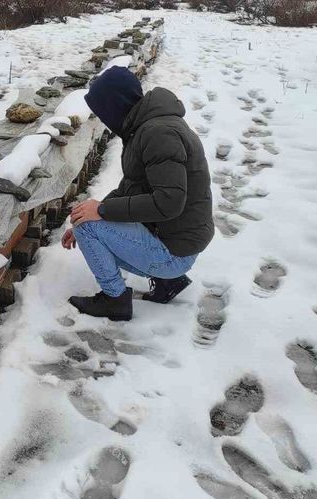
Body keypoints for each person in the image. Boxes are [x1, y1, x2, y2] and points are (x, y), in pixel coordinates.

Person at [62, 66, 214, 321]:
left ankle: (115, 301)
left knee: (87, 229)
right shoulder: (150, 126)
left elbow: (169, 202)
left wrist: (98, 212)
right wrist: (88, 213)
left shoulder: (158, 134)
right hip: (180, 240)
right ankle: (169, 282)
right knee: (88, 221)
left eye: (101, 111)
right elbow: (132, 187)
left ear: (114, 105)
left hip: (175, 251)